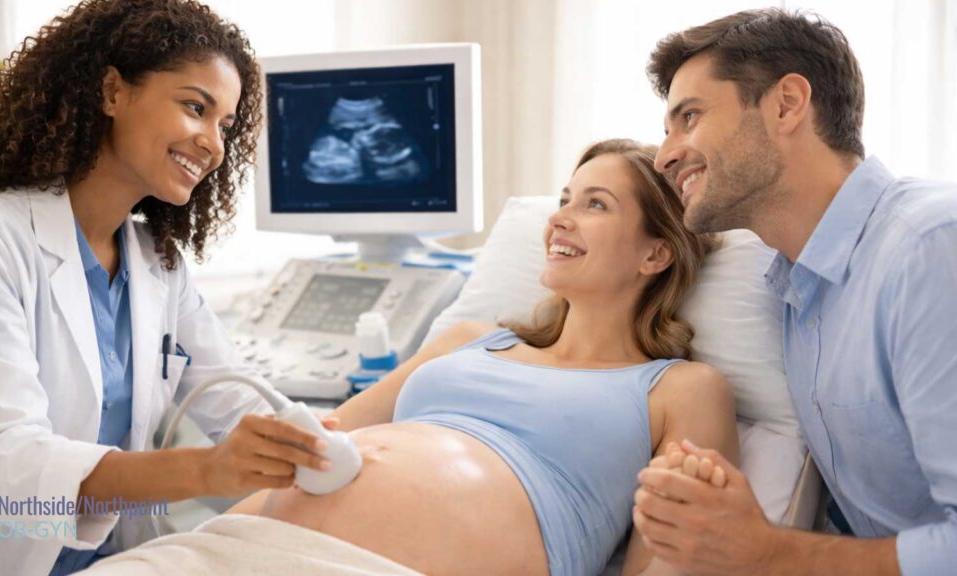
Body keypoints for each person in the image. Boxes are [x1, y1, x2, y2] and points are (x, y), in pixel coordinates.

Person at [203, 138, 738, 576]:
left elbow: (670, 559)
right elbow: (319, 436)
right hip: (240, 545)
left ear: (655, 253)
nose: (560, 220)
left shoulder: (680, 387)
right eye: (564, 200)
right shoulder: (468, 339)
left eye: (595, 204)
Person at [0, 1, 336, 574]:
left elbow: (239, 397)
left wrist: (313, 442)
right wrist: (205, 470)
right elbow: (6, 467)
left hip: (118, 559)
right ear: (112, 92)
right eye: (195, 108)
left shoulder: (157, 263)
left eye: (224, 125)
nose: (214, 145)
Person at [633, 8, 957, 576]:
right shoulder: (791, 288)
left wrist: (764, 551)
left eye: (689, 116)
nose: (664, 156)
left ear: (786, 104)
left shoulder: (929, 251)